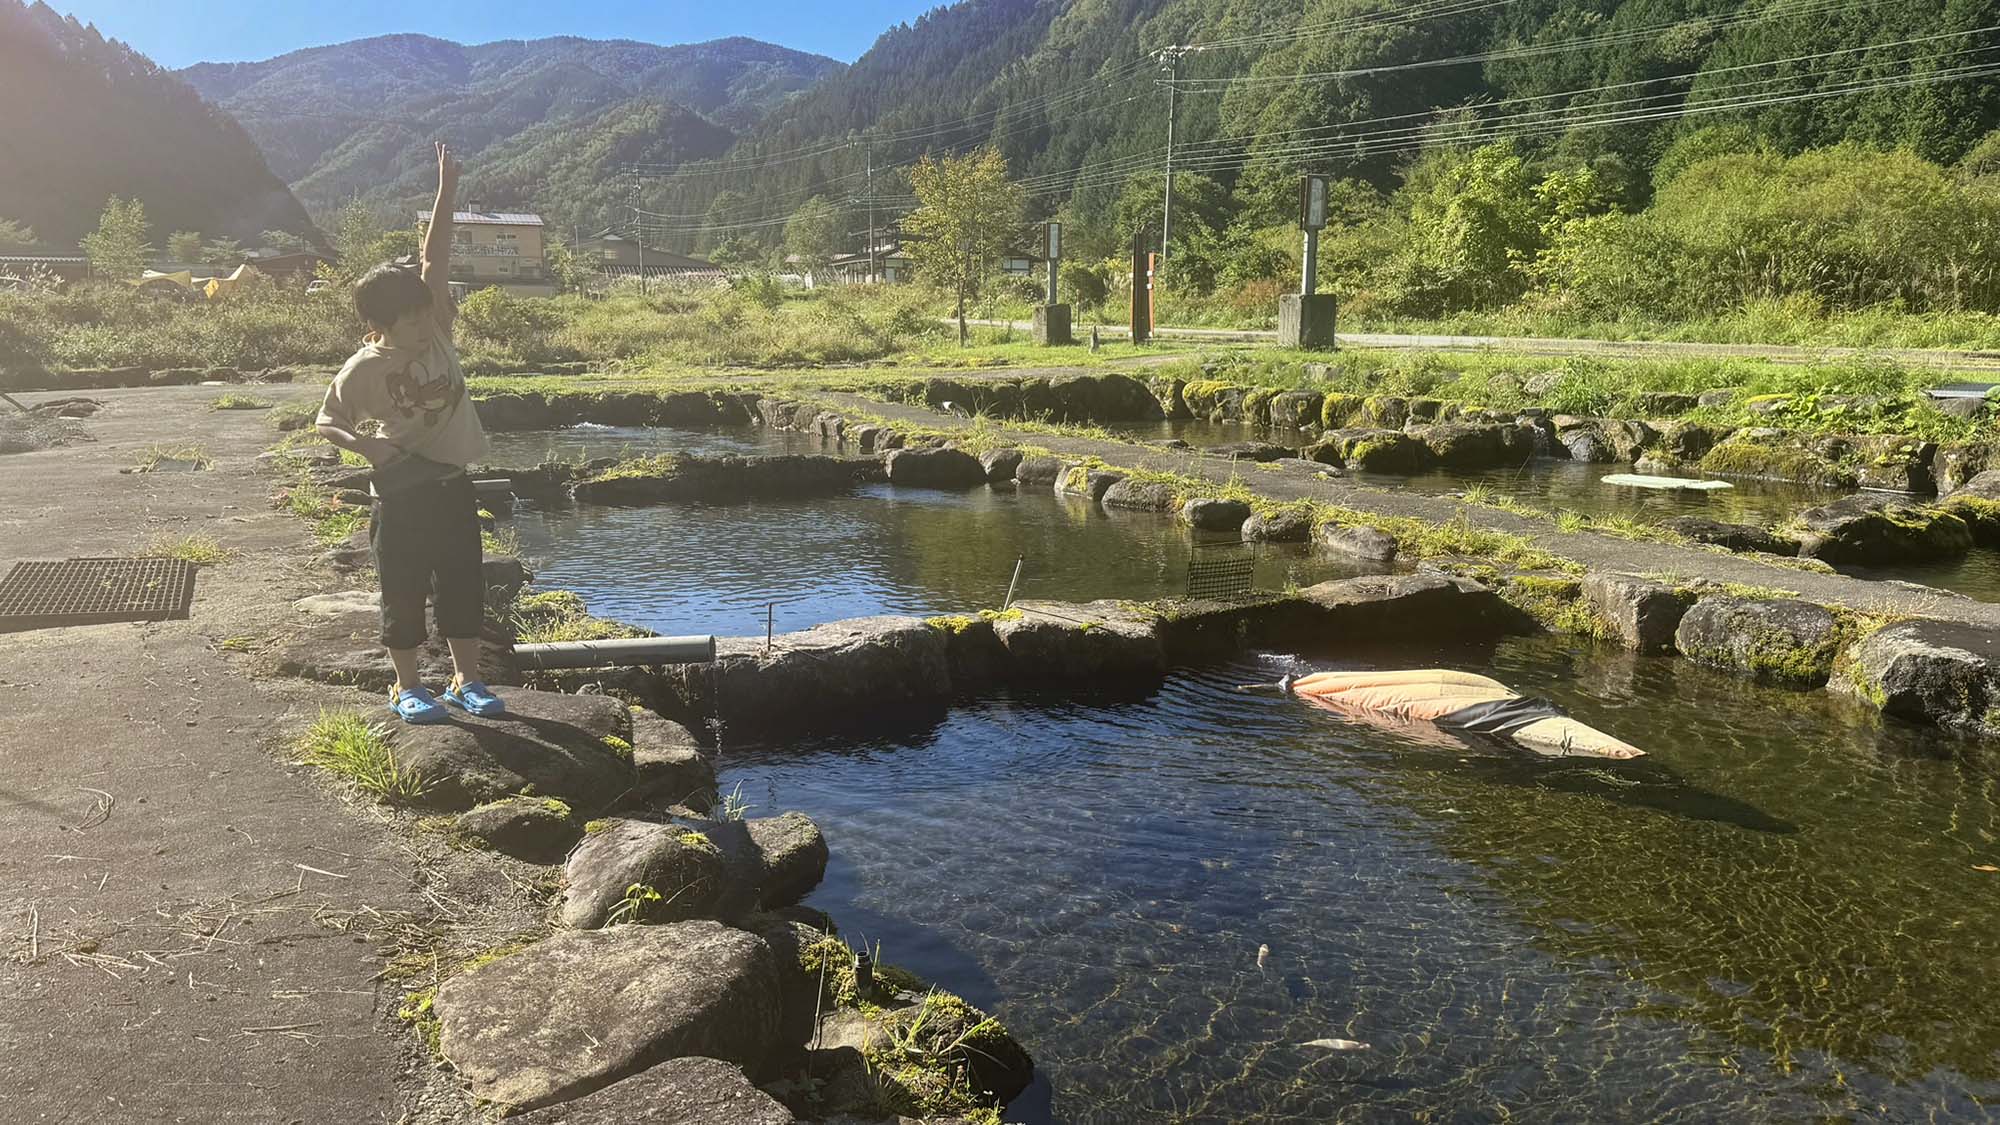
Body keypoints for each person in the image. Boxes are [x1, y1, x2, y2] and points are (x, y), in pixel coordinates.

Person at [315, 141, 504, 724]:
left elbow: (434, 258)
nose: (426, 322)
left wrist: (447, 187)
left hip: (452, 487)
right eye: (412, 318)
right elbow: (326, 421)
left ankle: (465, 680)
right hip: (400, 497)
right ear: (379, 324)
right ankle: (405, 686)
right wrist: (365, 446)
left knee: (462, 588)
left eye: (428, 311)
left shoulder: (440, 334)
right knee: (401, 591)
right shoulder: (363, 368)